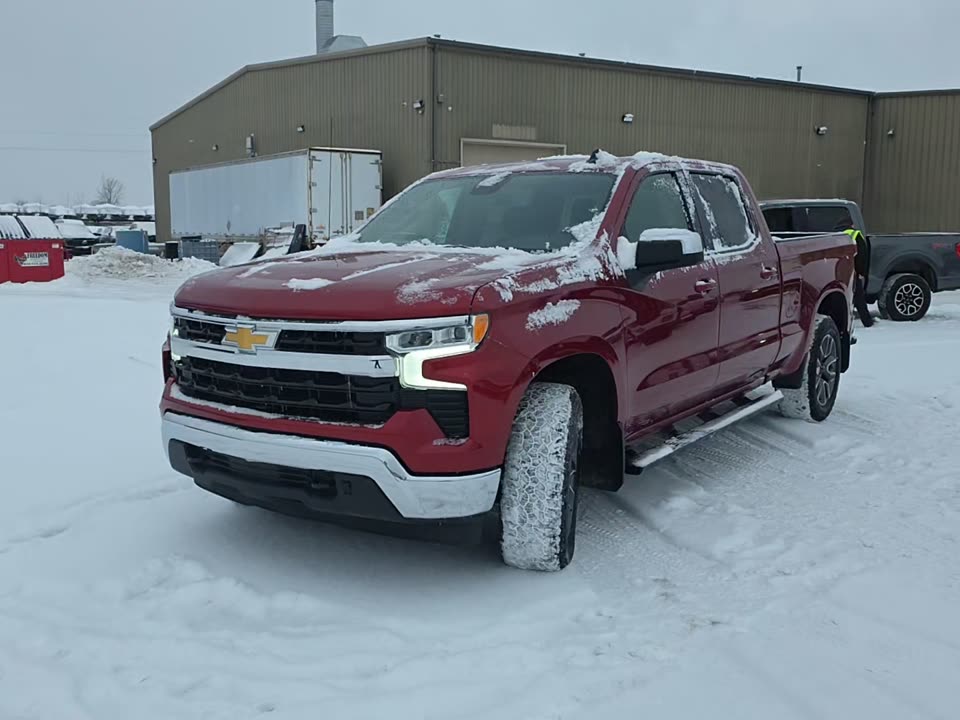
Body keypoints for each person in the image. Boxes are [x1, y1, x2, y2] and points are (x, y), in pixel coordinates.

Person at [840, 222, 875, 327]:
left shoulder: (836, 235)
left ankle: (842, 322)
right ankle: (867, 322)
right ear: (852, 225)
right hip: (852, 271)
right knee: (859, 298)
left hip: (840, 272)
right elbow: (862, 255)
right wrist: (861, 272)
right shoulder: (855, 235)